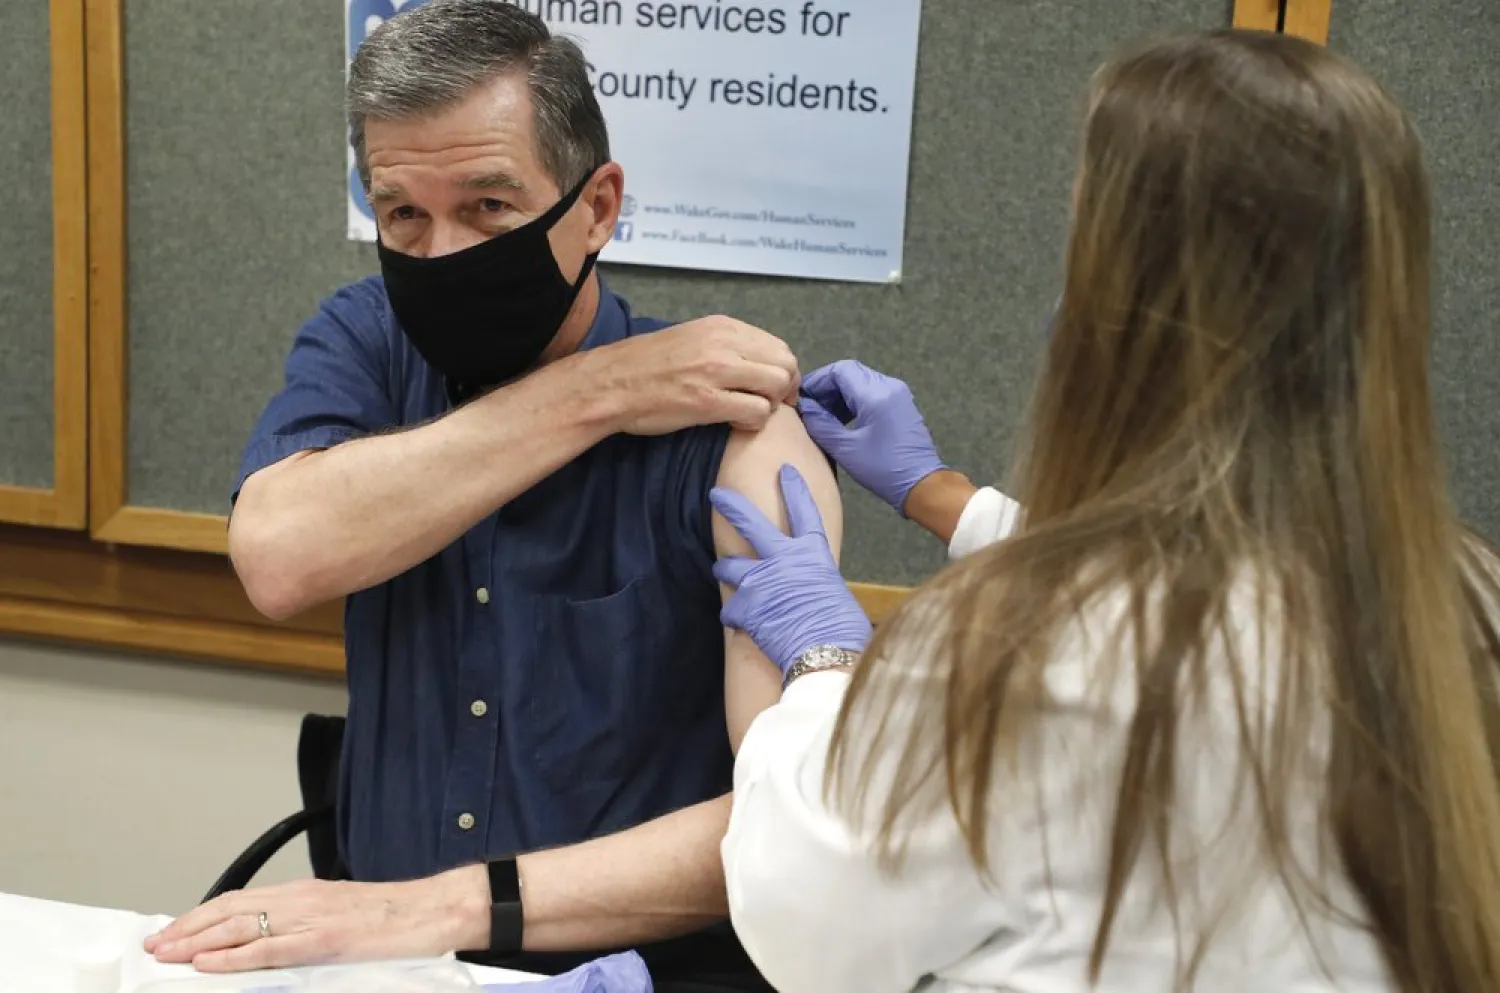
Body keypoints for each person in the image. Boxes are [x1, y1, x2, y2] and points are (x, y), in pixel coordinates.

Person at [713, 29, 1500, 993]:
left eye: (1084, 246)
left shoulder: (1020, 642)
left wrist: (825, 669)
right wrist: (947, 501)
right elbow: (1229, 575)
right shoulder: (1466, 599)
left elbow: (806, 919)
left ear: (1135, 303)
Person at [142, 2, 842, 990]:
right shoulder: (369, 341)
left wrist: (443, 905)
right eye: (403, 214)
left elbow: (793, 818)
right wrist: (602, 391)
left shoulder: (728, 427)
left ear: (596, 207)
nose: (441, 256)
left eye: (489, 207)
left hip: (636, 973)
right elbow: (279, 555)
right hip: (391, 964)